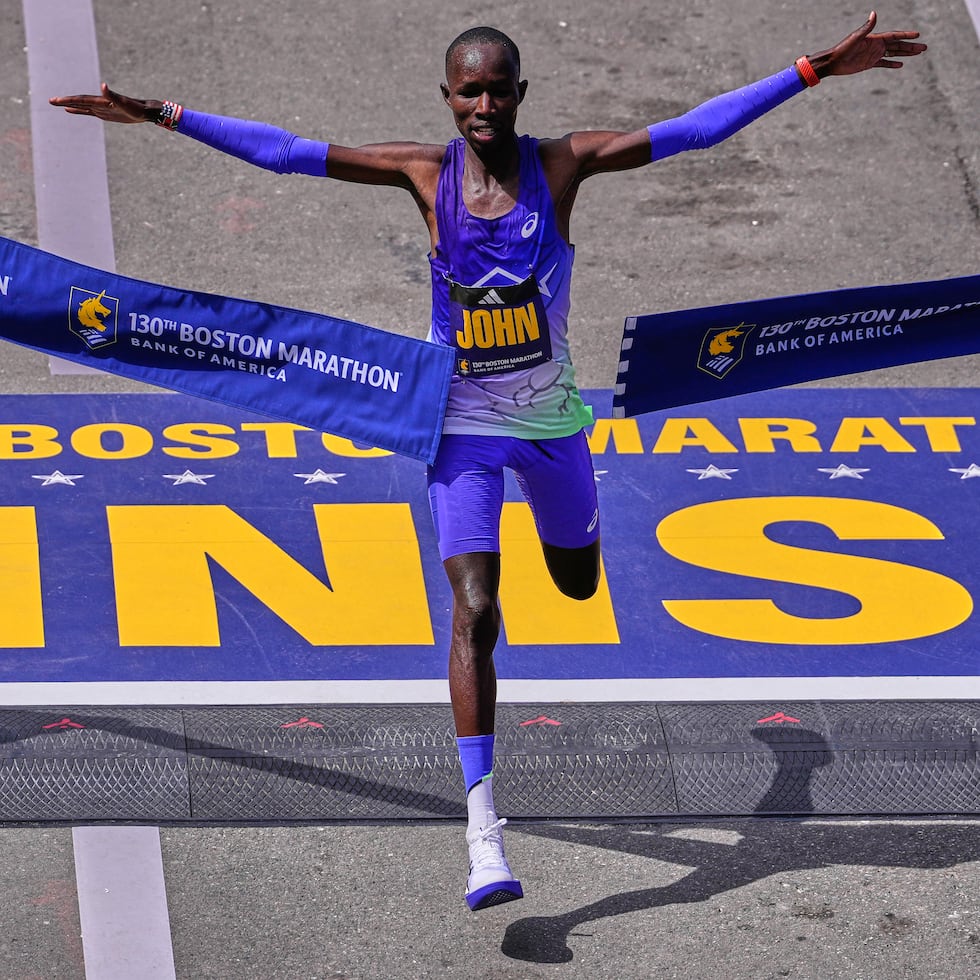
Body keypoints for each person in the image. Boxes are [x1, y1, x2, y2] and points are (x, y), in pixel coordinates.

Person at [51, 10, 926, 911]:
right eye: (467, 90)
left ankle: (565, 559)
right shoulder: (422, 176)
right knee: (475, 607)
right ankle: (483, 834)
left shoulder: (561, 167)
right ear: (447, 96)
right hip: (459, 432)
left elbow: (698, 129)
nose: (482, 104)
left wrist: (815, 67)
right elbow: (284, 152)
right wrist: (159, 113)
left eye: (496, 89)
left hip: (552, 430)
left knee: (580, 583)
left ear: (518, 94)